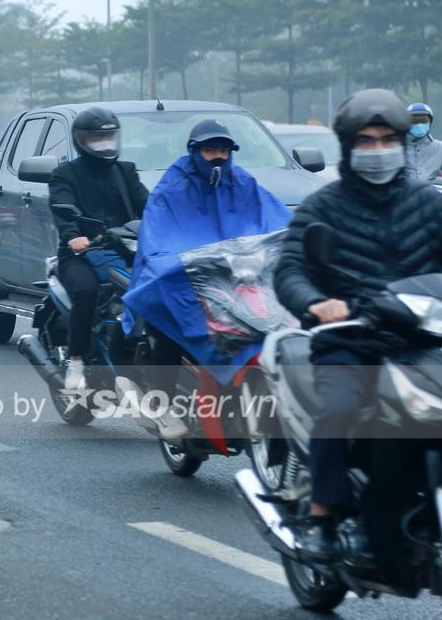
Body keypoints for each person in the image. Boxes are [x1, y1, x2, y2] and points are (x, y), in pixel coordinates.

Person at [275, 88, 442, 563]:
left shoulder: (429, 204)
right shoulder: (322, 206)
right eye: (366, 141)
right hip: (352, 339)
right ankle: (324, 515)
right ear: (349, 146)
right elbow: (289, 269)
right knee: (343, 405)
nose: (377, 150)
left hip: (420, 338)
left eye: (387, 139)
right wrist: (317, 303)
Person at [123, 119, 291, 439]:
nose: (217, 157)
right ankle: (163, 402)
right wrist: (174, 263)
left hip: (235, 272)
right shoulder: (173, 186)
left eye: (224, 151)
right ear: (194, 151)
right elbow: (157, 236)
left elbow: (276, 217)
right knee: (171, 318)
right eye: (210, 150)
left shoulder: (242, 181)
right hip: (186, 271)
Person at [48, 107, 150, 391]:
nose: (104, 144)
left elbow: (150, 206)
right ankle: (76, 358)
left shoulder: (125, 171)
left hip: (125, 247)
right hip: (80, 253)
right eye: (97, 139)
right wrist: (72, 236)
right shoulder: (65, 174)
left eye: (109, 138)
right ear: (82, 141)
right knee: (87, 291)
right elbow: (61, 208)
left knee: (161, 285)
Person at [404, 102, 442, 181]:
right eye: (414, 121)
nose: (419, 124)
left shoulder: (441, 148)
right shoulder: (399, 147)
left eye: (423, 121)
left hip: (432, 191)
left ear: (430, 122)